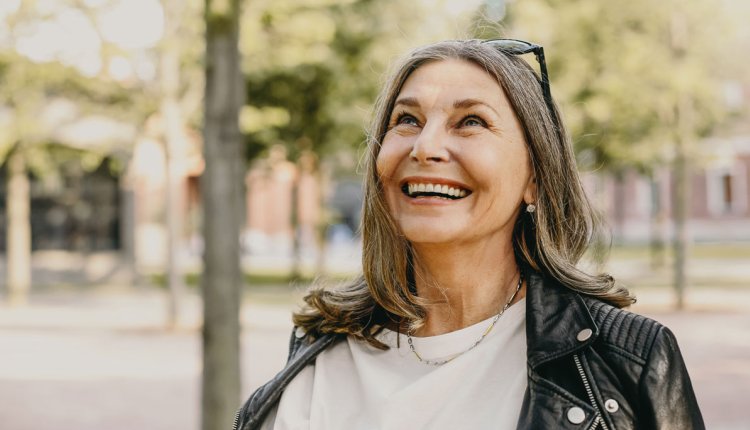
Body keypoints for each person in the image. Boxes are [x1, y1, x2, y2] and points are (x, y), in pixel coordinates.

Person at [234, 39, 704, 430]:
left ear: (535, 177)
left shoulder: (628, 362)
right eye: (407, 120)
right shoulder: (319, 355)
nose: (425, 147)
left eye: (471, 122)